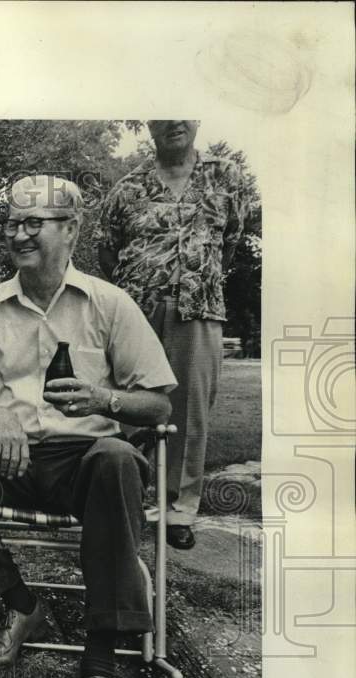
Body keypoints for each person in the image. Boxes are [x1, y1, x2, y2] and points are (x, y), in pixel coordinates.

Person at [0, 176, 176, 678]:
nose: (19, 233)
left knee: (117, 459)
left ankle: (99, 672)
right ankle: (23, 605)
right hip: (11, 459)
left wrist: (106, 400)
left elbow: (158, 400)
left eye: (34, 223)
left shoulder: (109, 303)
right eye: (12, 222)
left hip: (87, 462)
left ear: (71, 230)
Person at [97, 121, 248, 550]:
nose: (174, 122)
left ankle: (177, 510)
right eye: (163, 114)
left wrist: (193, 277)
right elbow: (107, 252)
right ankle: (125, 498)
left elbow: (230, 243)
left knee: (188, 411)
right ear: (149, 124)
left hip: (198, 307)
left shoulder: (226, 177)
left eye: (183, 113)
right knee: (126, 403)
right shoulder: (127, 188)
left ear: (198, 121)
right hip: (135, 312)